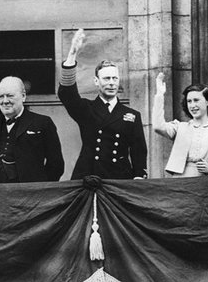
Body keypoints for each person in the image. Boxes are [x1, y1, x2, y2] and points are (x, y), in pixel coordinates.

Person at [58, 29, 147, 180]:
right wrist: (72, 54)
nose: (111, 83)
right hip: (88, 176)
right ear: (96, 81)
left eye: (114, 78)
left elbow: (138, 150)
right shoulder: (86, 109)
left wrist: (139, 175)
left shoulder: (132, 115)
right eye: (106, 79)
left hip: (120, 178)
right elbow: (66, 94)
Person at [0, 76, 64, 183]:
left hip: (28, 194)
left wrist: (40, 189)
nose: (5, 101)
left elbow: (56, 164)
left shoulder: (43, 123)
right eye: (1, 96)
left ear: (23, 96)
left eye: (10, 96)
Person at [153, 73, 208, 177]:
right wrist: (159, 95)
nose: (192, 105)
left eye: (196, 100)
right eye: (189, 101)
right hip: (180, 184)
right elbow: (157, 126)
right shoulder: (179, 127)